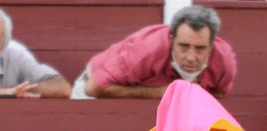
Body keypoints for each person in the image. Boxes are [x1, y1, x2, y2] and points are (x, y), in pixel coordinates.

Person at [73, 5, 236, 100]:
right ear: (171, 39)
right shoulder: (145, 49)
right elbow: (95, 87)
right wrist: (160, 92)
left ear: (211, 45)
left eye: (200, 48)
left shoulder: (224, 61)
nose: (191, 57)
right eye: (184, 46)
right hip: (92, 92)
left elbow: (218, 94)